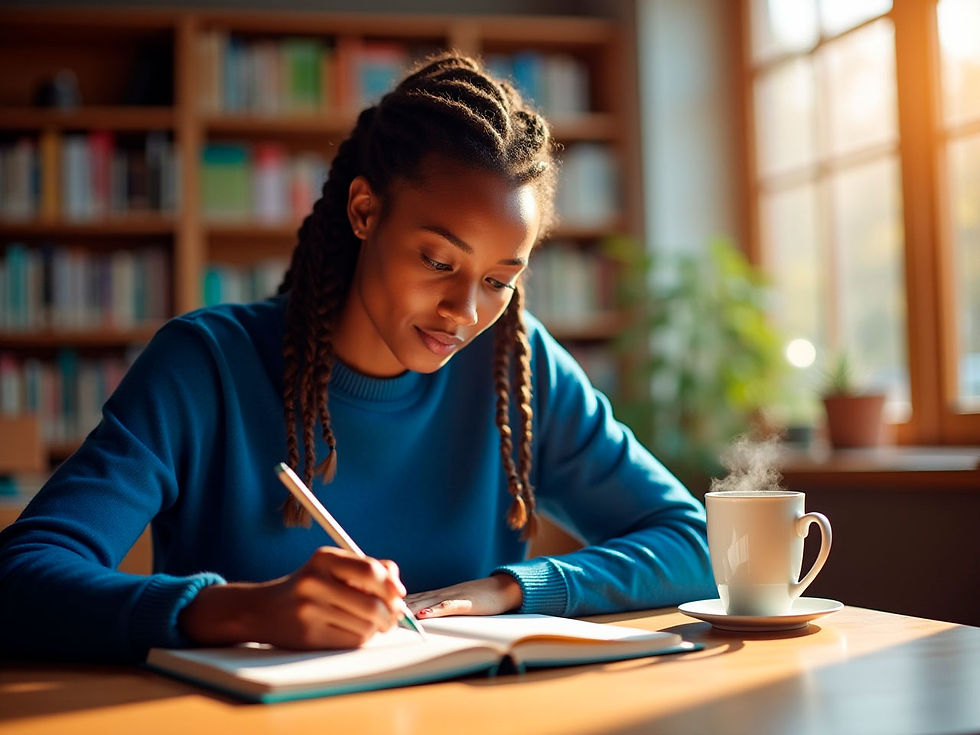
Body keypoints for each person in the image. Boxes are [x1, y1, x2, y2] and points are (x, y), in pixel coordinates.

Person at [0, 53, 715, 662]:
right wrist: (243, 611)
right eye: (438, 260)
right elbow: (21, 577)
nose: (465, 311)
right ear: (366, 212)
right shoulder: (206, 366)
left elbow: (694, 543)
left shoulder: (514, 368)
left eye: (500, 279)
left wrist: (510, 589)